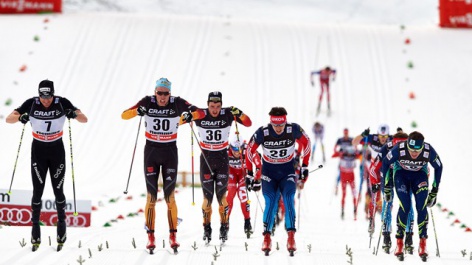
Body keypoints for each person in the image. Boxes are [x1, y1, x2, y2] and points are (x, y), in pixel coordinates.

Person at [121, 77, 204, 253]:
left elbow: (200, 113)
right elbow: (124, 115)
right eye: (160, 93)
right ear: (155, 92)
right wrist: (138, 111)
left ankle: (173, 235)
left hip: (169, 153)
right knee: (151, 198)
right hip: (151, 152)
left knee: (170, 198)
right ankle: (150, 237)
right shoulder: (147, 101)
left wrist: (191, 115)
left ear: (170, 93)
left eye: (166, 93)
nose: (163, 97)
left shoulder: (177, 102)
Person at [6, 79, 88, 252]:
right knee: (38, 191)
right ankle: (35, 231)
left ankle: (61, 227)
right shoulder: (32, 103)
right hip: (38, 151)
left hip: (57, 151)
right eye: (43, 97)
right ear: (39, 95)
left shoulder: (61, 102)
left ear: (53, 93)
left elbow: (84, 119)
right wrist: (21, 116)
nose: (46, 101)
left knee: (58, 190)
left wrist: (73, 114)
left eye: (48, 97)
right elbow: (8, 119)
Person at [245, 107, 311, 256]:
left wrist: (305, 165)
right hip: (269, 172)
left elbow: (307, 143)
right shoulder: (263, 132)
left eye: (281, 125)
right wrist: (249, 173)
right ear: (271, 122)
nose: (279, 128)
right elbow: (249, 150)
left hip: (287, 171)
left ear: (285, 121)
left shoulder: (292, 129)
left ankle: (291, 237)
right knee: (270, 200)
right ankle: (267, 238)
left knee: (288, 198)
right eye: (276, 125)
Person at [188, 91, 252, 244]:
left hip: (223, 159)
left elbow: (248, 123)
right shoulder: (200, 113)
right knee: (207, 199)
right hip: (206, 160)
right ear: (207, 104)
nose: (214, 110)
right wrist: (186, 115)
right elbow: (178, 121)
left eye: (217, 106)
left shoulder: (228, 113)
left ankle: (224, 227)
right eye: (211, 106)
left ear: (221, 105)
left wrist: (240, 114)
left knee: (221, 198)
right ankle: (207, 227)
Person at [381, 131, 443, 261]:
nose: (414, 154)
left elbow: (439, 166)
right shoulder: (400, 149)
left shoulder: (428, 150)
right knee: (406, 206)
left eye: (417, 151)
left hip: (419, 175)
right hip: (401, 175)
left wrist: (434, 191)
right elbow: (386, 163)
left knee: (421, 206)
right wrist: (387, 187)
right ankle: (399, 243)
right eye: (411, 150)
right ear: (407, 145)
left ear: (422, 147)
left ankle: (422, 244)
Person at [369, 128, 416, 254]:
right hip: (388, 179)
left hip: (405, 179)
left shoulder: (412, 150)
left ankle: (408, 237)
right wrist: (375, 183)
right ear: (393, 143)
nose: (400, 148)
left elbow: (424, 168)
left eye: (403, 145)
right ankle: (386, 237)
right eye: (397, 145)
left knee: (407, 205)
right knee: (387, 204)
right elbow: (373, 169)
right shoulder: (386, 148)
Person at [226, 138, 252, 238]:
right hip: (231, 173)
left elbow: (257, 157)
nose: (237, 152)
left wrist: (255, 177)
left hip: (242, 173)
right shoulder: (226, 151)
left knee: (243, 195)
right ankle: (225, 222)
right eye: (234, 150)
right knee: (231, 193)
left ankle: (247, 222)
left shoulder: (246, 149)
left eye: (239, 150)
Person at [333, 128, 354, 195]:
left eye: (346, 133)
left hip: (349, 159)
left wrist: (352, 153)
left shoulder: (351, 140)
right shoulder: (340, 140)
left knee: (349, 174)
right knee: (340, 173)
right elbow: (335, 148)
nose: (346, 135)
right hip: (342, 159)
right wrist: (338, 153)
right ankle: (336, 186)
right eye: (345, 133)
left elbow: (355, 148)